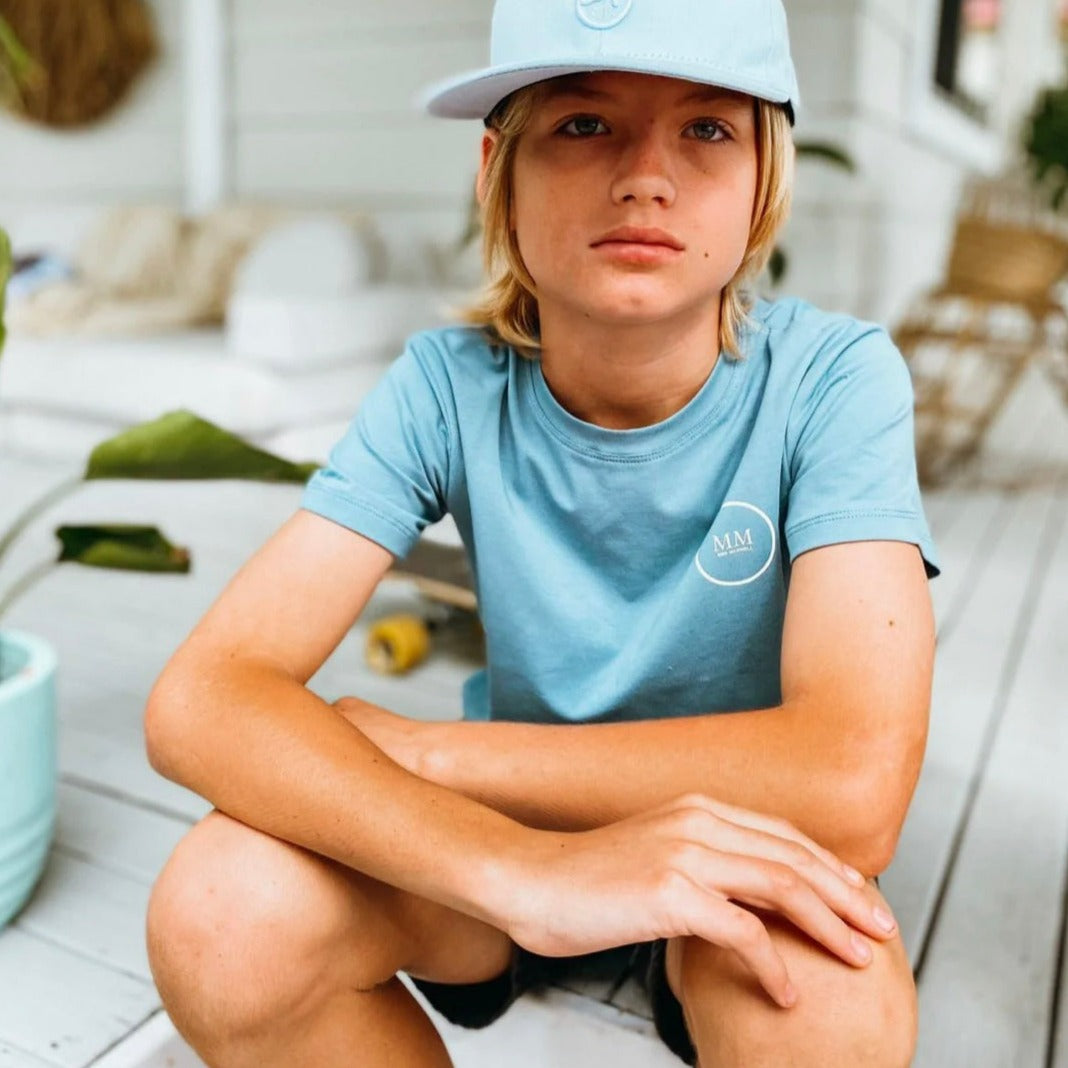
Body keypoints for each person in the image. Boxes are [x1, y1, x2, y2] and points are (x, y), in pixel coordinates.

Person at [143, 0, 941, 1065]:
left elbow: (852, 785)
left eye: (708, 129)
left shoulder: (835, 379)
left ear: (764, 184)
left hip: (740, 841)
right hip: (499, 854)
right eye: (582, 123)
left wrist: (430, 751)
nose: (645, 174)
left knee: (832, 1010)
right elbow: (202, 699)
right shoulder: (444, 385)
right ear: (494, 171)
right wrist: (526, 872)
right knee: (218, 911)